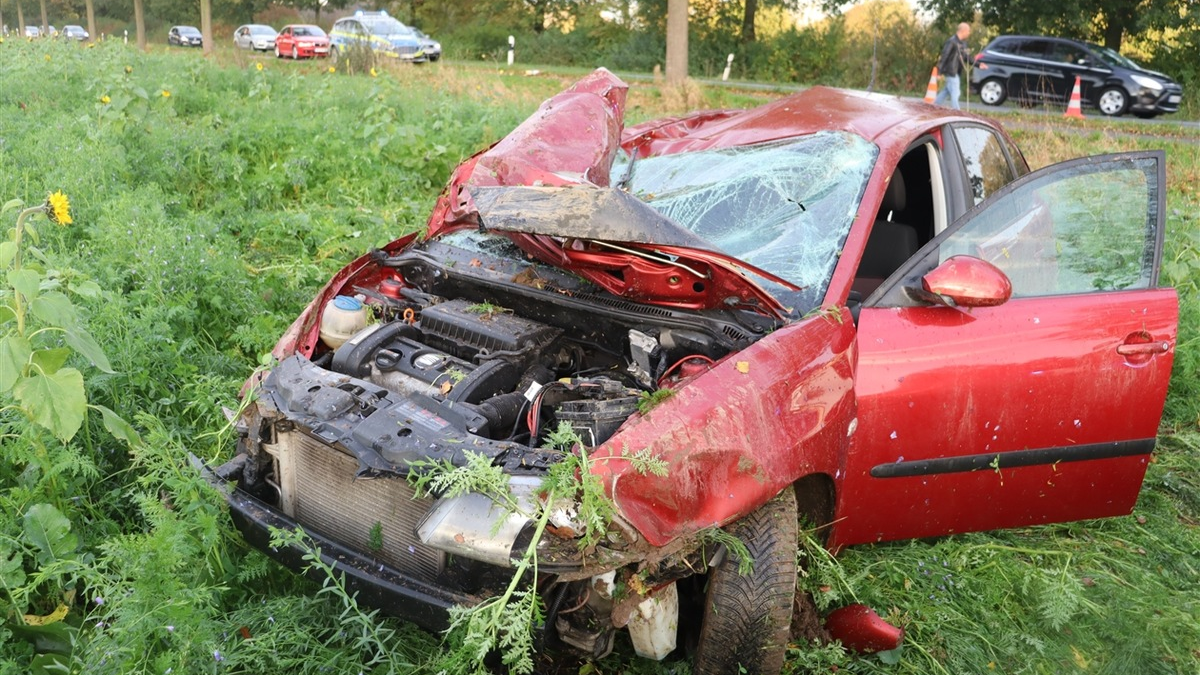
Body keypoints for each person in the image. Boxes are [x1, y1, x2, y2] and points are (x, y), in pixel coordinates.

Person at [934, 22, 972, 110]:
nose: (969, 33)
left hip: (956, 72)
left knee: (946, 91)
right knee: (956, 92)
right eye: (968, 31)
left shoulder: (963, 44)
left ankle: (934, 106)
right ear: (964, 31)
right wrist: (939, 71)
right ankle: (957, 111)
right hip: (950, 71)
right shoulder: (951, 42)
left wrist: (978, 64)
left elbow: (966, 57)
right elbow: (944, 56)